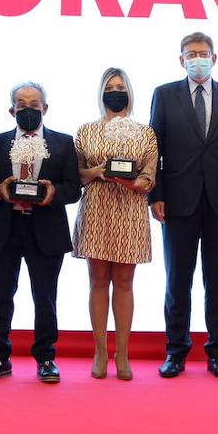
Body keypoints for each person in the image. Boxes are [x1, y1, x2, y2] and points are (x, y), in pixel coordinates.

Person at [150, 31, 218, 379]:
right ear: (181, 60)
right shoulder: (164, 96)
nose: (197, 58)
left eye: (203, 53)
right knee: (177, 280)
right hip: (177, 202)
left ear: (214, 58)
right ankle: (175, 352)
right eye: (190, 53)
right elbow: (154, 153)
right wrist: (156, 195)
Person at [0, 81, 81, 383]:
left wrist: (53, 193)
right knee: (1, 296)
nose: (29, 110)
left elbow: (74, 188)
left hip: (46, 230)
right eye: (22, 105)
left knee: (45, 298)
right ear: (11, 110)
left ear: (45, 108)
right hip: (4, 229)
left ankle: (46, 358)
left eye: (35, 105)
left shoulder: (63, 143)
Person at [73, 68, 159, 381]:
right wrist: (99, 171)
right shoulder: (85, 131)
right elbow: (77, 175)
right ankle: (100, 351)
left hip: (130, 210)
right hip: (97, 209)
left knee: (124, 283)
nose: (116, 92)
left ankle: (122, 352)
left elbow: (149, 177)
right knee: (98, 281)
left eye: (121, 87)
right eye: (110, 87)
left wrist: (134, 182)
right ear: (101, 92)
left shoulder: (145, 132)